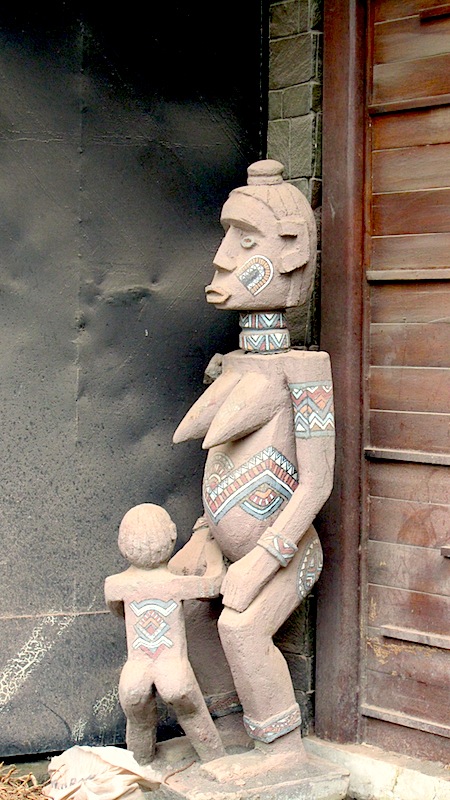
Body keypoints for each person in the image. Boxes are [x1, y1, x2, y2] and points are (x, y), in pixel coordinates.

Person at [171, 160, 335, 780]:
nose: (220, 260)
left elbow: (317, 481)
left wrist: (263, 561)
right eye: (227, 238)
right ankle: (237, 727)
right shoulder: (237, 361)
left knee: (242, 630)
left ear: (291, 255)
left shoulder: (306, 371)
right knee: (197, 614)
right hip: (232, 547)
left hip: (289, 553)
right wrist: (206, 533)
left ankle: (284, 751)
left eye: (245, 242)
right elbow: (225, 459)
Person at [104, 503, 226, 765]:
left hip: (135, 670)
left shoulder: (114, 585)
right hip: (173, 668)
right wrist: (213, 546)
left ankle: (140, 772)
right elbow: (214, 584)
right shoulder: (176, 584)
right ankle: (217, 762)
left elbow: (119, 611)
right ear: (171, 536)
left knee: (139, 722)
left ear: (122, 542)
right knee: (192, 715)